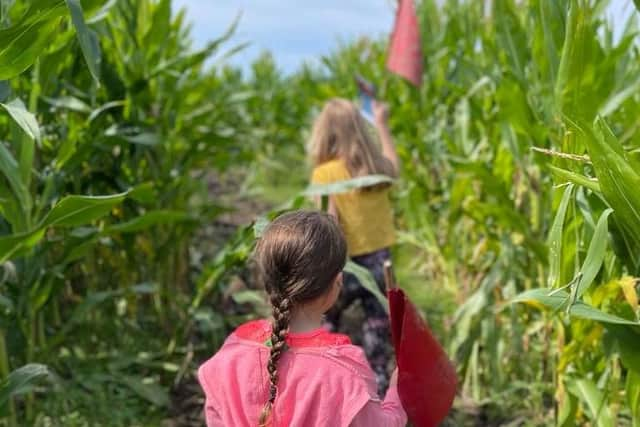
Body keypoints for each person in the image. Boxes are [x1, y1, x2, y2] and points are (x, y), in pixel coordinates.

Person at [198, 211, 406, 427]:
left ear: (267, 281)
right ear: (337, 281)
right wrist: (396, 394)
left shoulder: (229, 357)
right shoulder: (344, 373)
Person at [308, 98, 399, 394]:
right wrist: (382, 125)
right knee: (376, 326)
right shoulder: (372, 169)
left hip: (344, 265)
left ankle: (329, 385)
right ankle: (380, 390)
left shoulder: (325, 174)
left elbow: (329, 223)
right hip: (379, 263)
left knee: (326, 320)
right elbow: (394, 167)